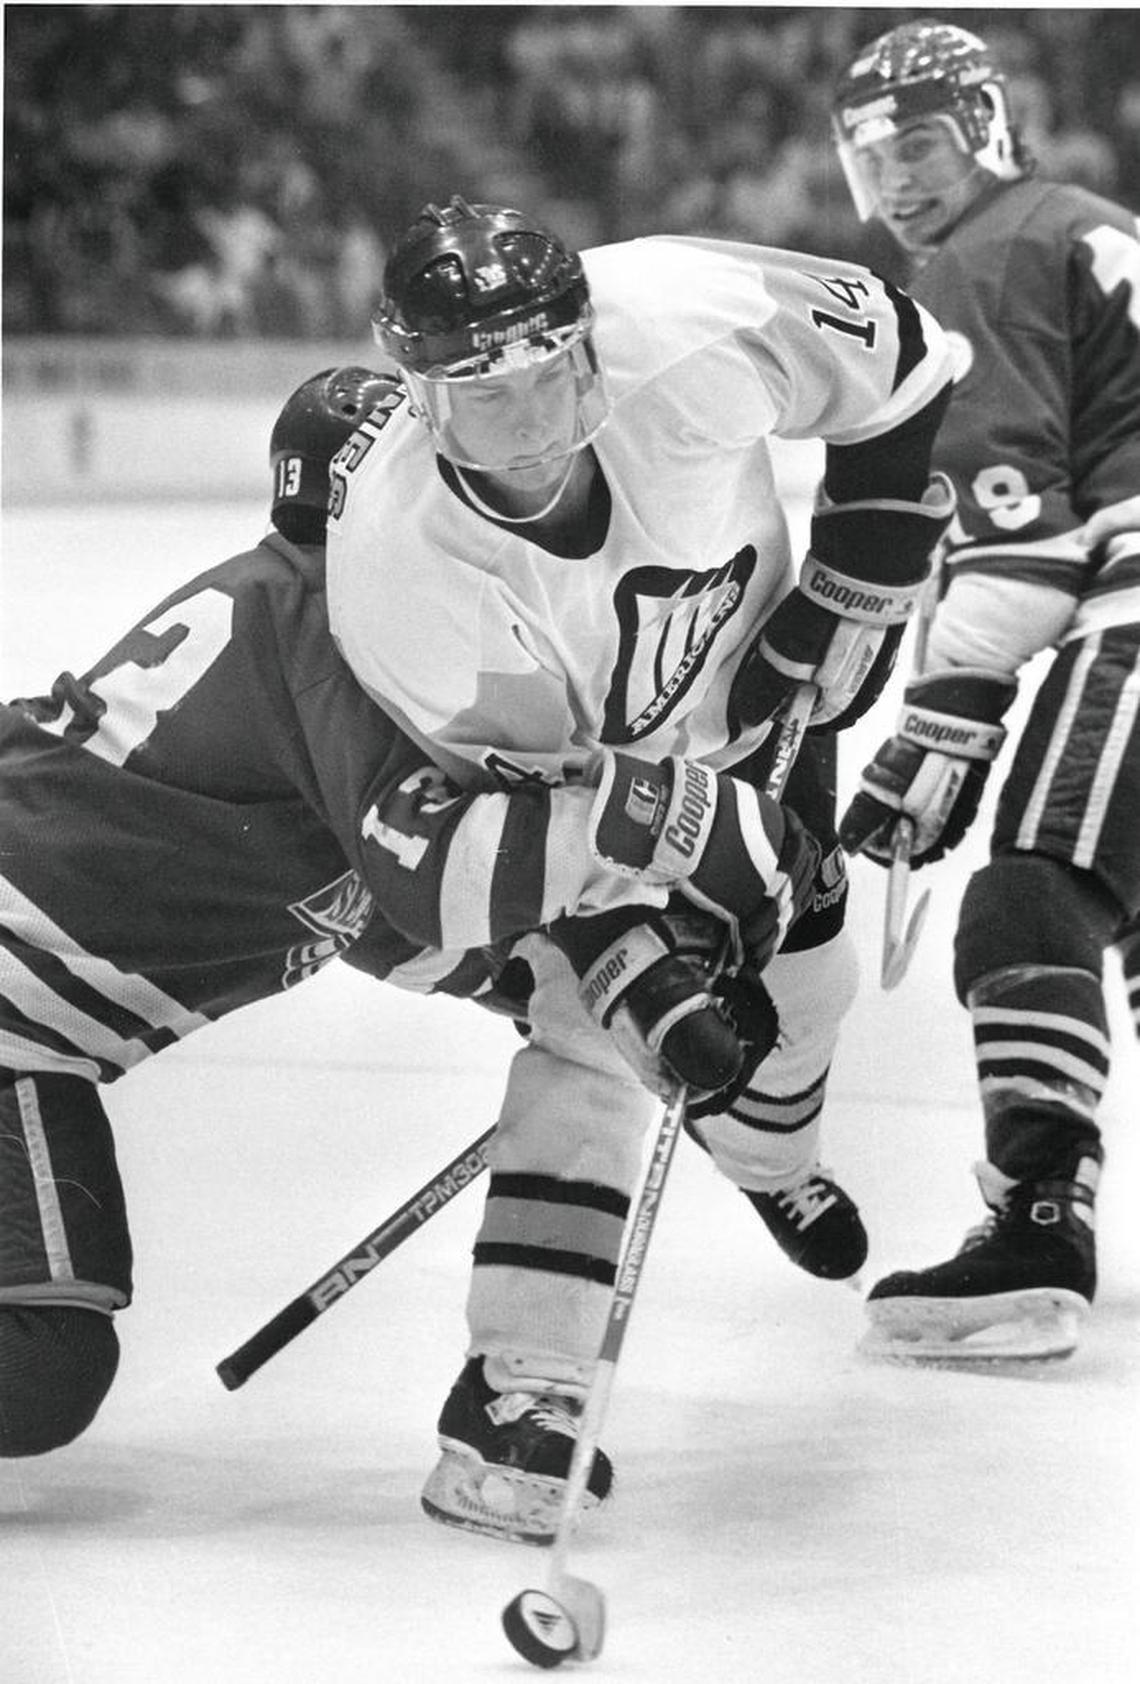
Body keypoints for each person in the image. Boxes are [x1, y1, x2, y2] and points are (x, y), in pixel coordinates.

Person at [0, 365, 809, 1469]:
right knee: (39, 1371)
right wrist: (683, 847)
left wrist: (603, 997)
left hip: (27, 1022)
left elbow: (390, 920)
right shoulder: (336, 629)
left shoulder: (320, 627)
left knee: (45, 1357)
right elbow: (440, 877)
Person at [324, 195, 956, 1535]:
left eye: (555, 372)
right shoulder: (402, 575)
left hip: (763, 708)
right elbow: (544, 838)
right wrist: (640, 968)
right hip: (593, 791)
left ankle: (771, 1159)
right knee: (598, 1038)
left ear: (587, 335)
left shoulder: (684, 315)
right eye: (489, 398)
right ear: (420, 395)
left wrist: (857, 571)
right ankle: (518, 1393)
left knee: (815, 989)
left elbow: (898, 352)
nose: (541, 420)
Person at [831, 19, 1140, 1361]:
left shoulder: (985, 254)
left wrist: (940, 719)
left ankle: (1036, 1223)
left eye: (922, 146)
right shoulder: (1081, 222)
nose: (898, 182)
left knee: (1031, 890)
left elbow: (1027, 548)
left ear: (985, 137)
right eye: (871, 157)